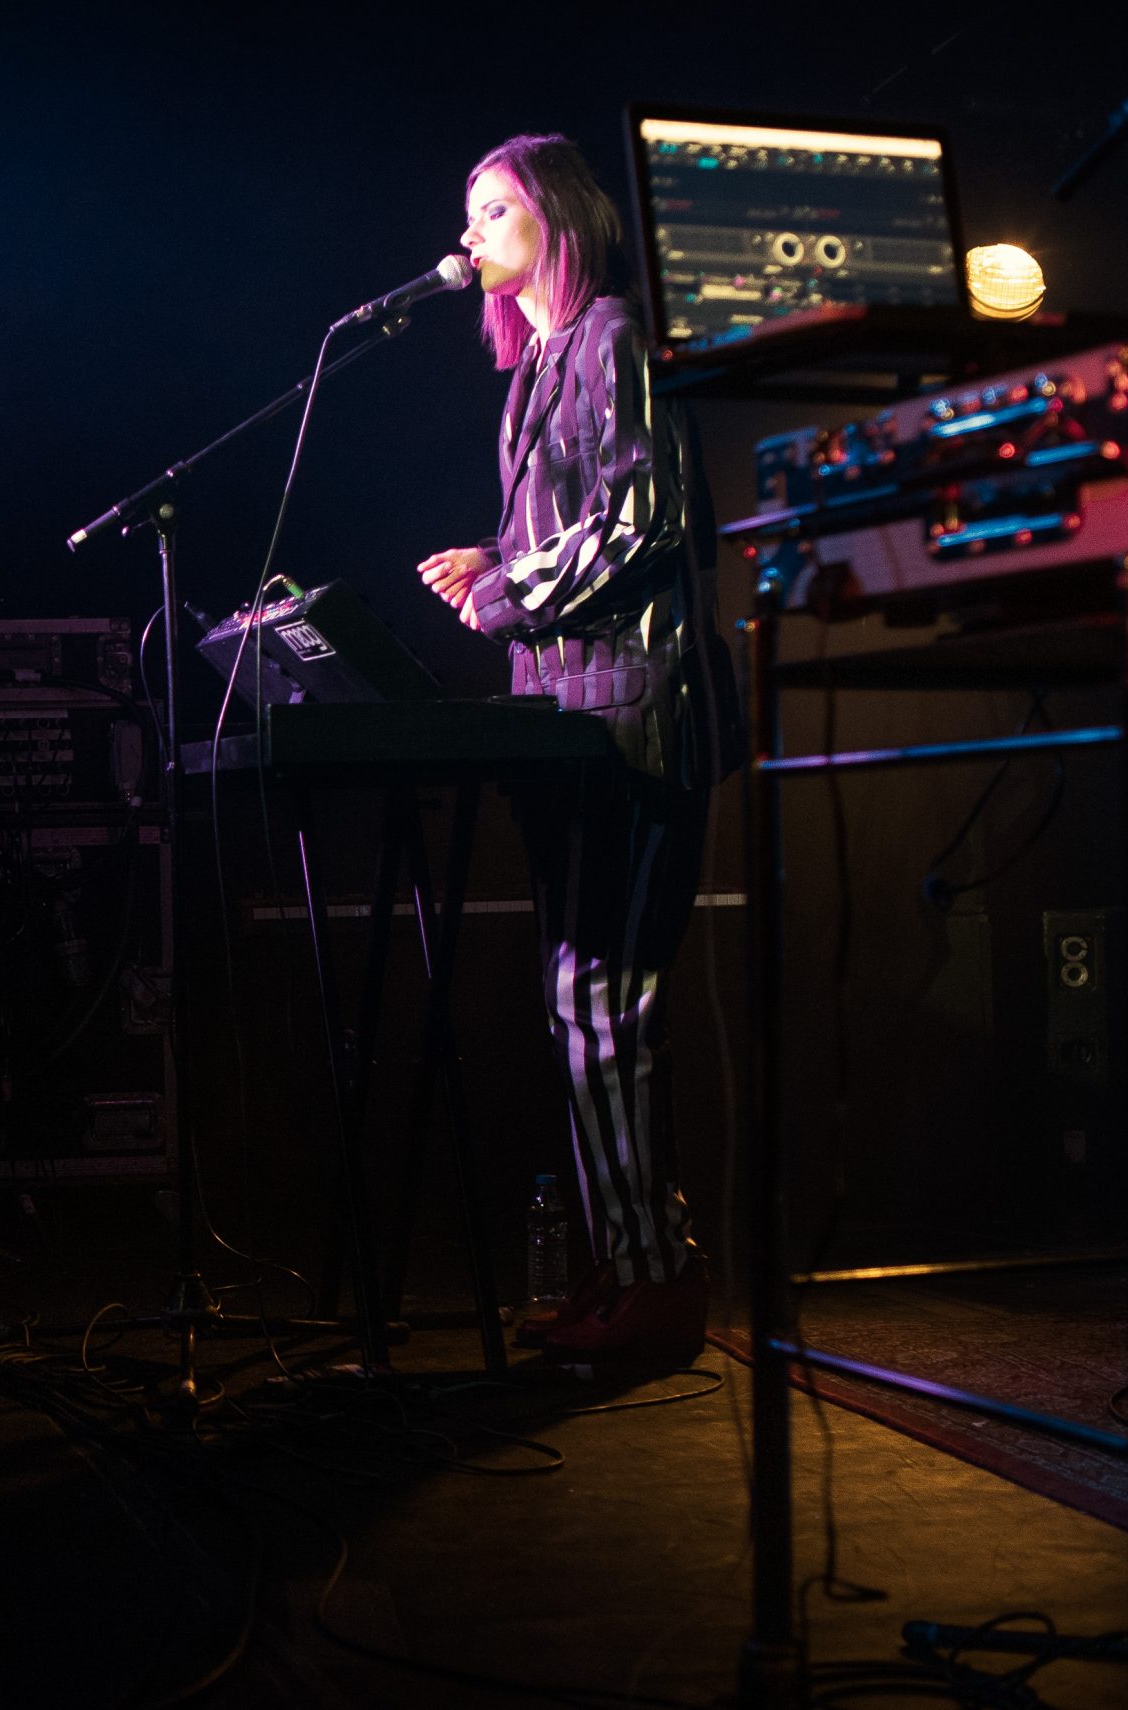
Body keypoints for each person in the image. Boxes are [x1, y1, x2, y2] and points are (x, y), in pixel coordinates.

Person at [414, 133, 743, 1368]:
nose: (470, 231)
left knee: (601, 995)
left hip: (638, 717)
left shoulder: (612, 336)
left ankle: (656, 1280)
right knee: (581, 1000)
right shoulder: (534, 370)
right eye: (467, 209)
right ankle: (633, 1258)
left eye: (493, 206)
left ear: (557, 215)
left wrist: (510, 585)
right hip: (566, 721)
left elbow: (644, 519)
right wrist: (498, 582)